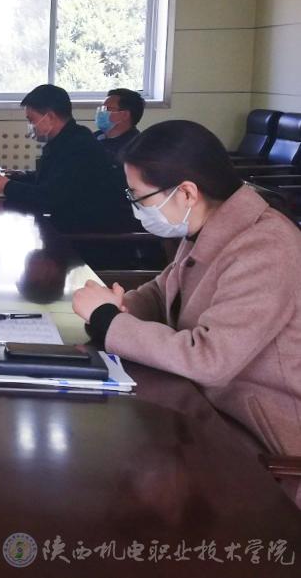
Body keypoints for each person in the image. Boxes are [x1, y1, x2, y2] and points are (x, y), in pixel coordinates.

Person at [71, 120, 301, 506]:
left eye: (138, 196)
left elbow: (209, 359)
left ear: (187, 192)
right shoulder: (211, 225)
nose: (135, 207)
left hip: (265, 446)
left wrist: (110, 321)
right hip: (205, 413)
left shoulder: (267, 247)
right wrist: (120, 305)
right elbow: (164, 290)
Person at [0, 84, 135, 233]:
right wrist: (17, 177)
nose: (30, 126)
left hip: (82, 235)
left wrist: (6, 186)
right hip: (65, 224)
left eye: (32, 120)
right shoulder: (64, 140)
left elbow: (50, 198)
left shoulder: (79, 146)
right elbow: (51, 180)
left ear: (50, 117)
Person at [94, 88, 145, 162]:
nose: (101, 112)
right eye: (102, 108)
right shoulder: (94, 136)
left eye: (107, 108)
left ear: (125, 115)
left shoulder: (134, 148)